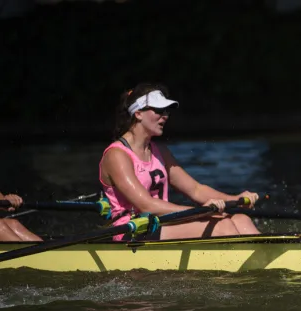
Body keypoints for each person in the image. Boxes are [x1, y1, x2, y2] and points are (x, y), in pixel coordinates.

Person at [99, 83, 260, 241]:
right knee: (222, 225)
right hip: (132, 231)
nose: (165, 116)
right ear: (138, 113)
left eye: (167, 111)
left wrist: (234, 199)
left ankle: (266, 256)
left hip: (160, 223)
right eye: (159, 110)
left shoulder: (160, 151)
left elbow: (196, 190)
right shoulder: (117, 155)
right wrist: (201, 211)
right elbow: (146, 206)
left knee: (240, 219)